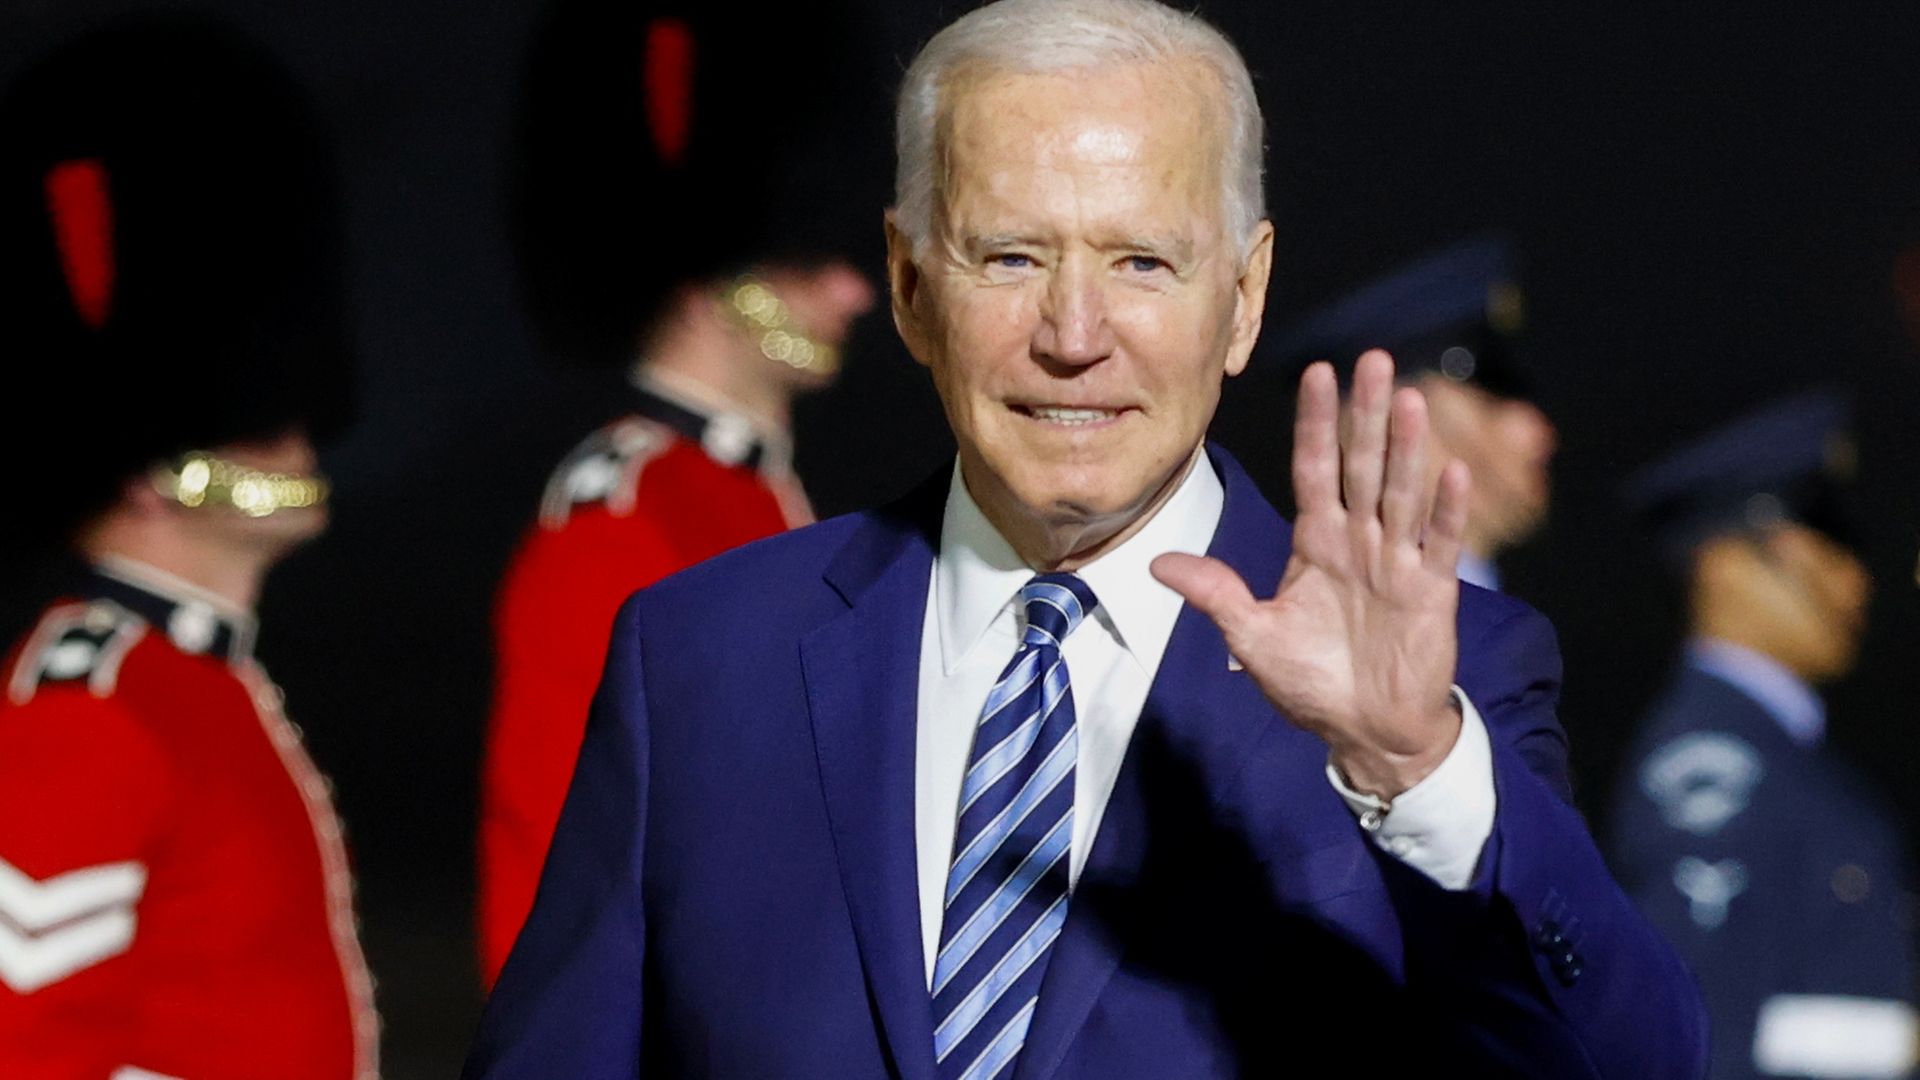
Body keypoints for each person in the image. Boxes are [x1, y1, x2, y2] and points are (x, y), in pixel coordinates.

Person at [465, 1, 1706, 1076]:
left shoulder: (1452, 689)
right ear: (908, 286)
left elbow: (1630, 1064)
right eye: (1010, 256)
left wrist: (1414, 770)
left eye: (1142, 262)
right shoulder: (697, 660)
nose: (1073, 332)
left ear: (1245, 297)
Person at [0, 16, 378, 1078]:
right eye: (259, 411)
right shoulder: (89, 708)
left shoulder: (197, 684)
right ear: (134, 456)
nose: (299, 435)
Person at [476, 0, 878, 983]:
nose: (852, 291)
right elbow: (554, 876)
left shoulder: (752, 495)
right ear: (707, 278)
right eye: (805, 258)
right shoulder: (622, 516)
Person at [1611, 391, 1916, 1080]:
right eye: (1822, 540)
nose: (1853, 577)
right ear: (1724, 563)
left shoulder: (1789, 763)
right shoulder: (1710, 765)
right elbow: (1701, 1037)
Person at [1268, 236, 1557, 591]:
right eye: (1493, 387)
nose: (1537, 430)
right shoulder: (1340, 623)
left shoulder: (1492, 617)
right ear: (1385, 408)